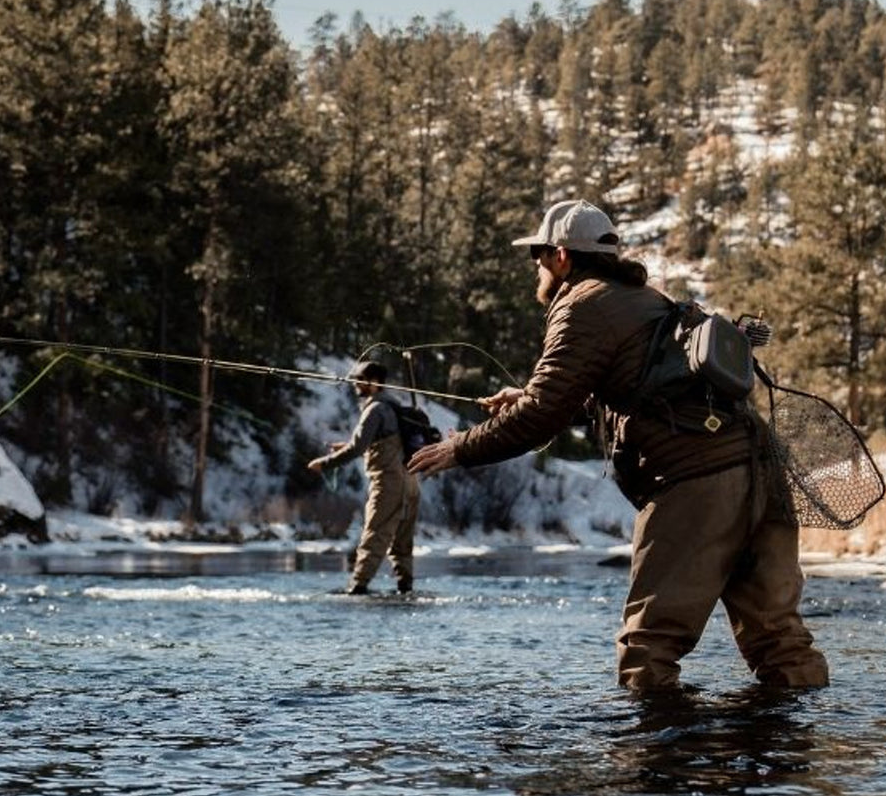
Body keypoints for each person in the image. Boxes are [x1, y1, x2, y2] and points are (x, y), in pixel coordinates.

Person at [407, 199, 829, 690]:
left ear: (561, 255)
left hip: (697, 484)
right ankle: (792, 758)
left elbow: (542, 416)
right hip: (760, 470)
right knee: (780, 641)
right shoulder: (644, 298)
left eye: (538, 256)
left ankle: (656, 764)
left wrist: (461, 447)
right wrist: (527, 396)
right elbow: (638, 392)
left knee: (647, 649)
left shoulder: (581, 304)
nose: (536, 270)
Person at [308, 360, 422, 595]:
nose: (355, 384)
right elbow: (382, 444)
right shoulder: (394, 407)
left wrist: (325, 464)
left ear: (375, 382)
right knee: (402, 543)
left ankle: (357, 588)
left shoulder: (374, 410)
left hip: (389, 484)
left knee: (374, 535)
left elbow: (357, 449)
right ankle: (405, 589)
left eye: (360, 379)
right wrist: (348, 446)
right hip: (411, 483)